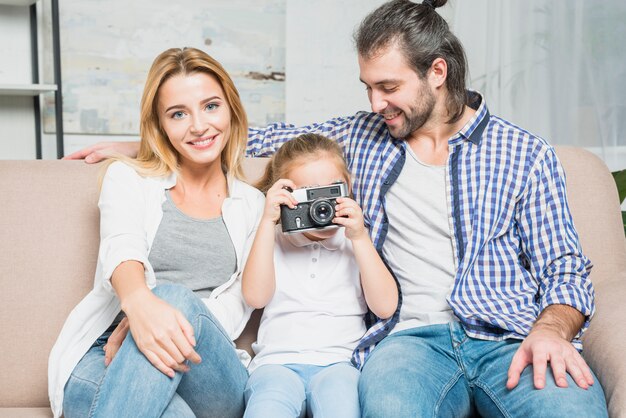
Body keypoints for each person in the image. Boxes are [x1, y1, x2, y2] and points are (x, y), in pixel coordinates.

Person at [67, 0, 609, 416]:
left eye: (389, 87)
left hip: (507, 335)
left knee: (571, 405)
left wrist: (552, 329)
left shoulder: (526, 154)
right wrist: (143, 147)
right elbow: (249, 135)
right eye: (368, 87)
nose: (376, 104)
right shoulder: (364, 134)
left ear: (437, 73)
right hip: (407, 344)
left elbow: (564, 266)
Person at [48, 47, 264, 418]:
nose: (198, 126)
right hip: (104, 351)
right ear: (160, 124)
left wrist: (153, 317)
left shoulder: (253, 204)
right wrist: (138, 302)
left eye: (211, 106)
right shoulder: (127, 178)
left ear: (231, 109)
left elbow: (239, 303)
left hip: (206, 364)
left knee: (174, 299)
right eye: (178, 114)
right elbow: (122, 247)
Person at [241, 134, 397, 417]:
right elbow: (255, 296)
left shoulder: (356, 240)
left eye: (330, 191)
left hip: (338, 364)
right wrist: (268, 221)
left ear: (347, 187)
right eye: (310, 195)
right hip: (276, 363)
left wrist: (360, 238)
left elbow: (385, 307)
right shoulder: (272, 238)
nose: (321, 206)